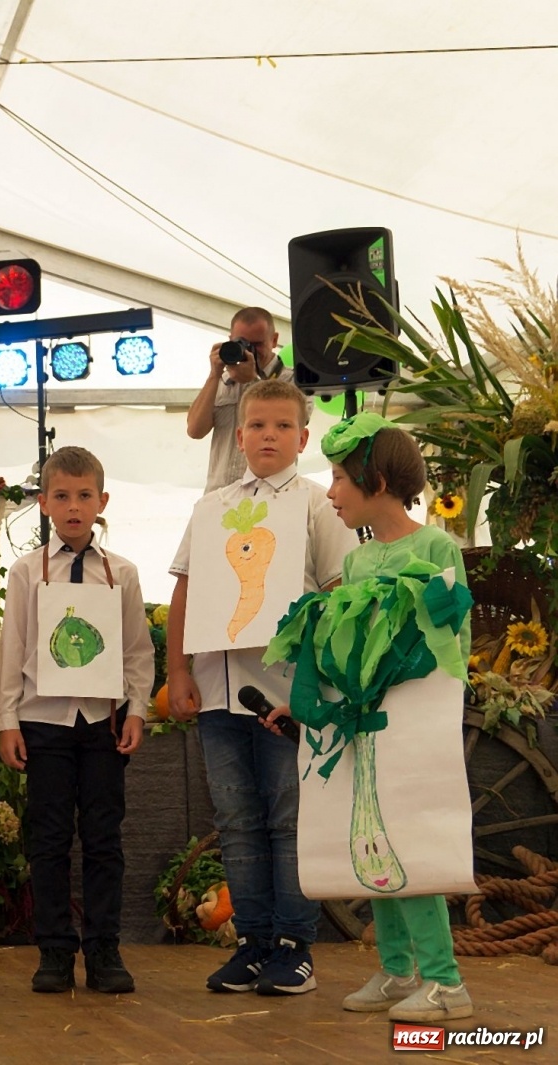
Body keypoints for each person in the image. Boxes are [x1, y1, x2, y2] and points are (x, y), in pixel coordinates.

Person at [167, 378, 355, 996]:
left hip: (288, 696)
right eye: (256, 425)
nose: (268, 435)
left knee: (288, 819)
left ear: (303, 437)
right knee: (236, 821)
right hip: (219, 693)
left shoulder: (318, 504)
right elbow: (186, 589)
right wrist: (178, 670)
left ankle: (294, 947)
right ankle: (250, 944)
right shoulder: (211, 507)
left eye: (282, 426)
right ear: (239, 436)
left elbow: (339, 594)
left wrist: (317, 686)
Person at [297, 415, 473, 1022]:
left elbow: (451, 640)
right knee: (373, 839)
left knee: (412, 844)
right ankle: (399, 970)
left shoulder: (435, 548)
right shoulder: (358, 561)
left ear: (375, 481)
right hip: (368, 724)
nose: (331, 492)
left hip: (414, 726)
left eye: (340, 478)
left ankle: (446, 982)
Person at [0, 446, 154, 994]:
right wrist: (8, 720)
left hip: (104, 721)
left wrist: (138, 710)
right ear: (43, 503)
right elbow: (13, 647)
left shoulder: (122, 573)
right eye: (61, 496)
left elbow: (137, 651)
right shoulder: (26, 572)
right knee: (49, 838)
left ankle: (104, 949)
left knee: (104, 838)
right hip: (44, 721)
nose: (73, 506)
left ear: (101, 502)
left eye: (84, 496)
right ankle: (55, 951)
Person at [186, 307, 293, 493]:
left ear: (274, 340)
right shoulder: (221, 380)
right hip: (220, 494)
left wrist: (253, 381)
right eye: (242, 343)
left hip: (270, 495)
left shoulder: (292, 381)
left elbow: (282, 423)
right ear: (230, 340)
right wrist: (214, 375)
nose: (249, 350)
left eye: (257, 344)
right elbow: (195, 430)